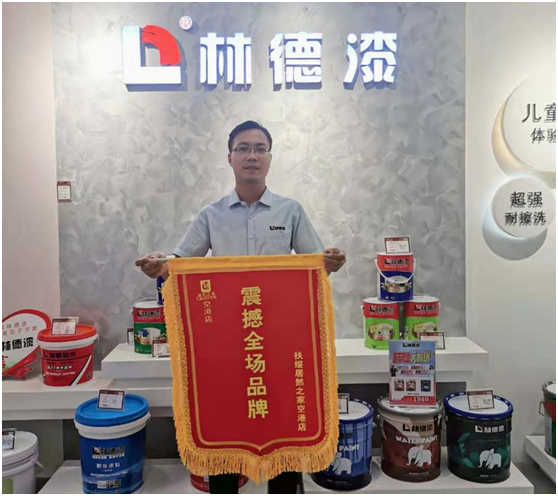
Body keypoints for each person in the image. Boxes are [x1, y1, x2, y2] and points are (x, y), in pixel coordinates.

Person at [136, 120, 346, 493]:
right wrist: (160, 264)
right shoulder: (211, 215)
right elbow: (180, 264)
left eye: (260, 149)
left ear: (269, 158)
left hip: (279, 344)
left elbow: (316, 265)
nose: (252, 156)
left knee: (283, 427)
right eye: (243, 148)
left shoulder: (290, 211)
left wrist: (332, 261)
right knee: (226, 426)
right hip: (228, 344)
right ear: (230, 157)